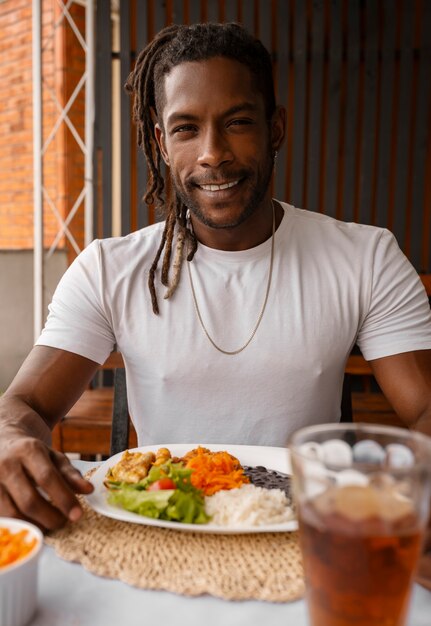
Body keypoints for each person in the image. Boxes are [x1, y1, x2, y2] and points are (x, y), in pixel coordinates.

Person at [0, 22, 430, 533]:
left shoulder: (366, 257)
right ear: (161, 141)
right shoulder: (106, 269)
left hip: (304, 535)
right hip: (158, 528)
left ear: (276, 129)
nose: (213, 153)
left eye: (238, 122)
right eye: (186, 128)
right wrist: (8, 440)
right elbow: (24, 404)